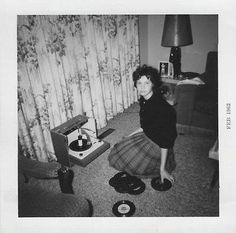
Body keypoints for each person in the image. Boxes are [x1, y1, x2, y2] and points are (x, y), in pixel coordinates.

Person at [108, 64, 177, 183]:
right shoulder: (145, 99)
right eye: (139, 83)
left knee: (133, 165)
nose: (142, 87)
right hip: (149, 134)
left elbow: (166, 141)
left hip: (158, 144)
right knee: (117, 153)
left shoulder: (161, 108)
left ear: (153, 84)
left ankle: (159, 164)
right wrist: (130, 136)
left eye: (147, 83)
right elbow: (146, 125)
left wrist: (162, 169)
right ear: (135, 84)